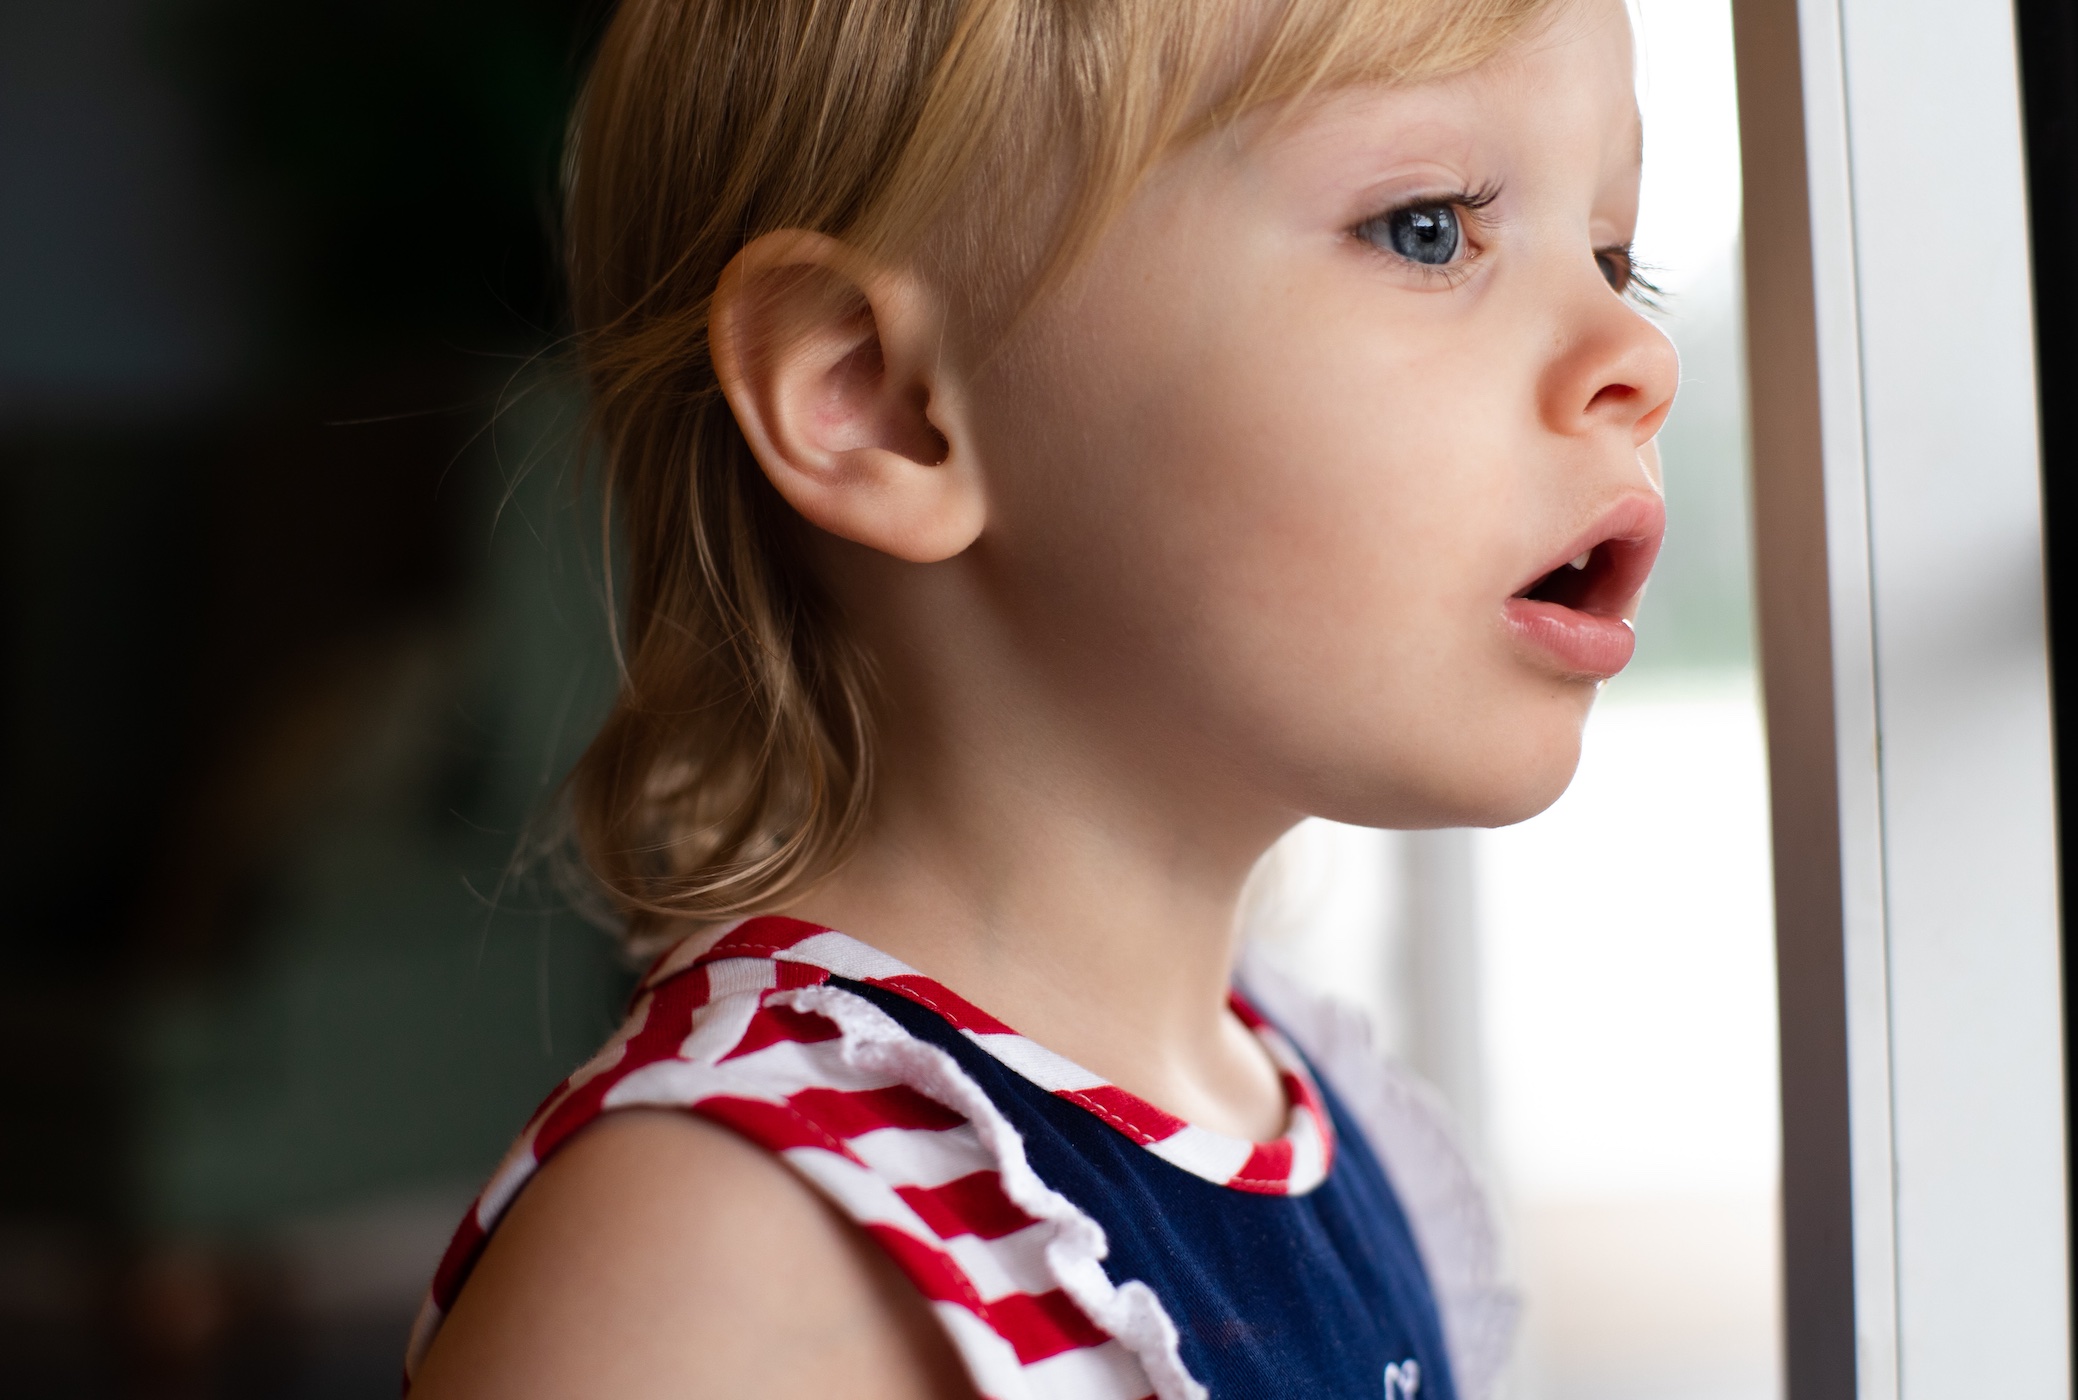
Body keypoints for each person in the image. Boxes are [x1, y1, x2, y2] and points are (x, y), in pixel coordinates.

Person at [403, 0, 1676, 1393]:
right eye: (1425, 228)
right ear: (883, 398)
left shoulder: (1327, 1117)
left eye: (1614, 258)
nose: (1638, 355)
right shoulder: (724, 1263)